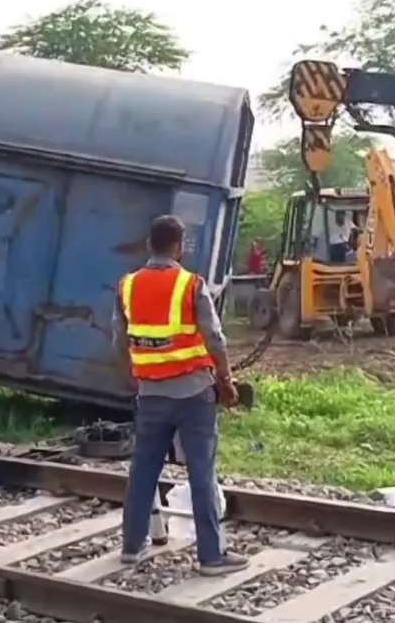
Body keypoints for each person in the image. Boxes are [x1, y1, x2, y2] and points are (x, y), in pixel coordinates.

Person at [112, 215, 249, 576]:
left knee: (143, 469)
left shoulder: (127, 286)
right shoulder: (190, 285)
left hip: (150, 394)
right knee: (201, 471)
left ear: (148, 245)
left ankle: (131, 546)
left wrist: (138, 373)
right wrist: (226, 379)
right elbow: (215, 339)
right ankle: (211, 557)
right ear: (180, 246)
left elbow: (119, 340)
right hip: (192, 394)